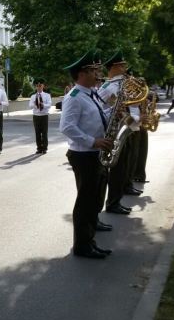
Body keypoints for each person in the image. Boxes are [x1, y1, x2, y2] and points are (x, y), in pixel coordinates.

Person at [59, 50, 114, 259]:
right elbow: (67, 127)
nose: (98, 73)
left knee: (93, 201)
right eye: (94, 70)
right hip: (84, 155)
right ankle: (82, 246)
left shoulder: (90, 94)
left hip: (94, 153)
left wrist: (113, 112)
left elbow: (95, 117)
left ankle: (89, 240)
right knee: (85, 202)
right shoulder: (73, 97)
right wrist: (94, 141)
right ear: (82, 74)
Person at [96, 51, 141, 215]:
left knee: (122, 169)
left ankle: (117, 200)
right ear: (113, 67)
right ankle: (112, 203)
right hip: (115, 131)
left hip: (125, 129)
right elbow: (98, 109)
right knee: (116, 171)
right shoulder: (108, 87)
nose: (124, 69)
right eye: (122, 66)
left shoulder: (122, 85)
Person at [29, 78, 51, 154]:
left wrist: (43, 105)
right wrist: (35, 105)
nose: (38, 87)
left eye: (40, 86)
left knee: (44, 132)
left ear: (43, 86)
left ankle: (44, 147)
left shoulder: (47, 95)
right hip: (36, 115)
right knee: (37, 132)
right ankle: (39, 147)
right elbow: (30, 106)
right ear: (36, 87)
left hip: (44, 115)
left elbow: (49, 105)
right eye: (37, 86)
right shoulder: (33, 96)